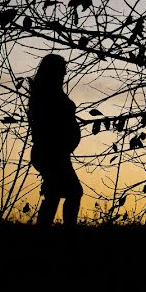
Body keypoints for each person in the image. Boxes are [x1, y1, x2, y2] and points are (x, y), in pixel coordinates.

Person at [28, 53, 83, 227]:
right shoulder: (45, 94)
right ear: (54, 71)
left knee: (55, 193)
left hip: (57, 152)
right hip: (50, 152)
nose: (65, 73)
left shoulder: (49, 92)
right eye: (62, 70)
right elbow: (45, 124)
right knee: (72, 192)